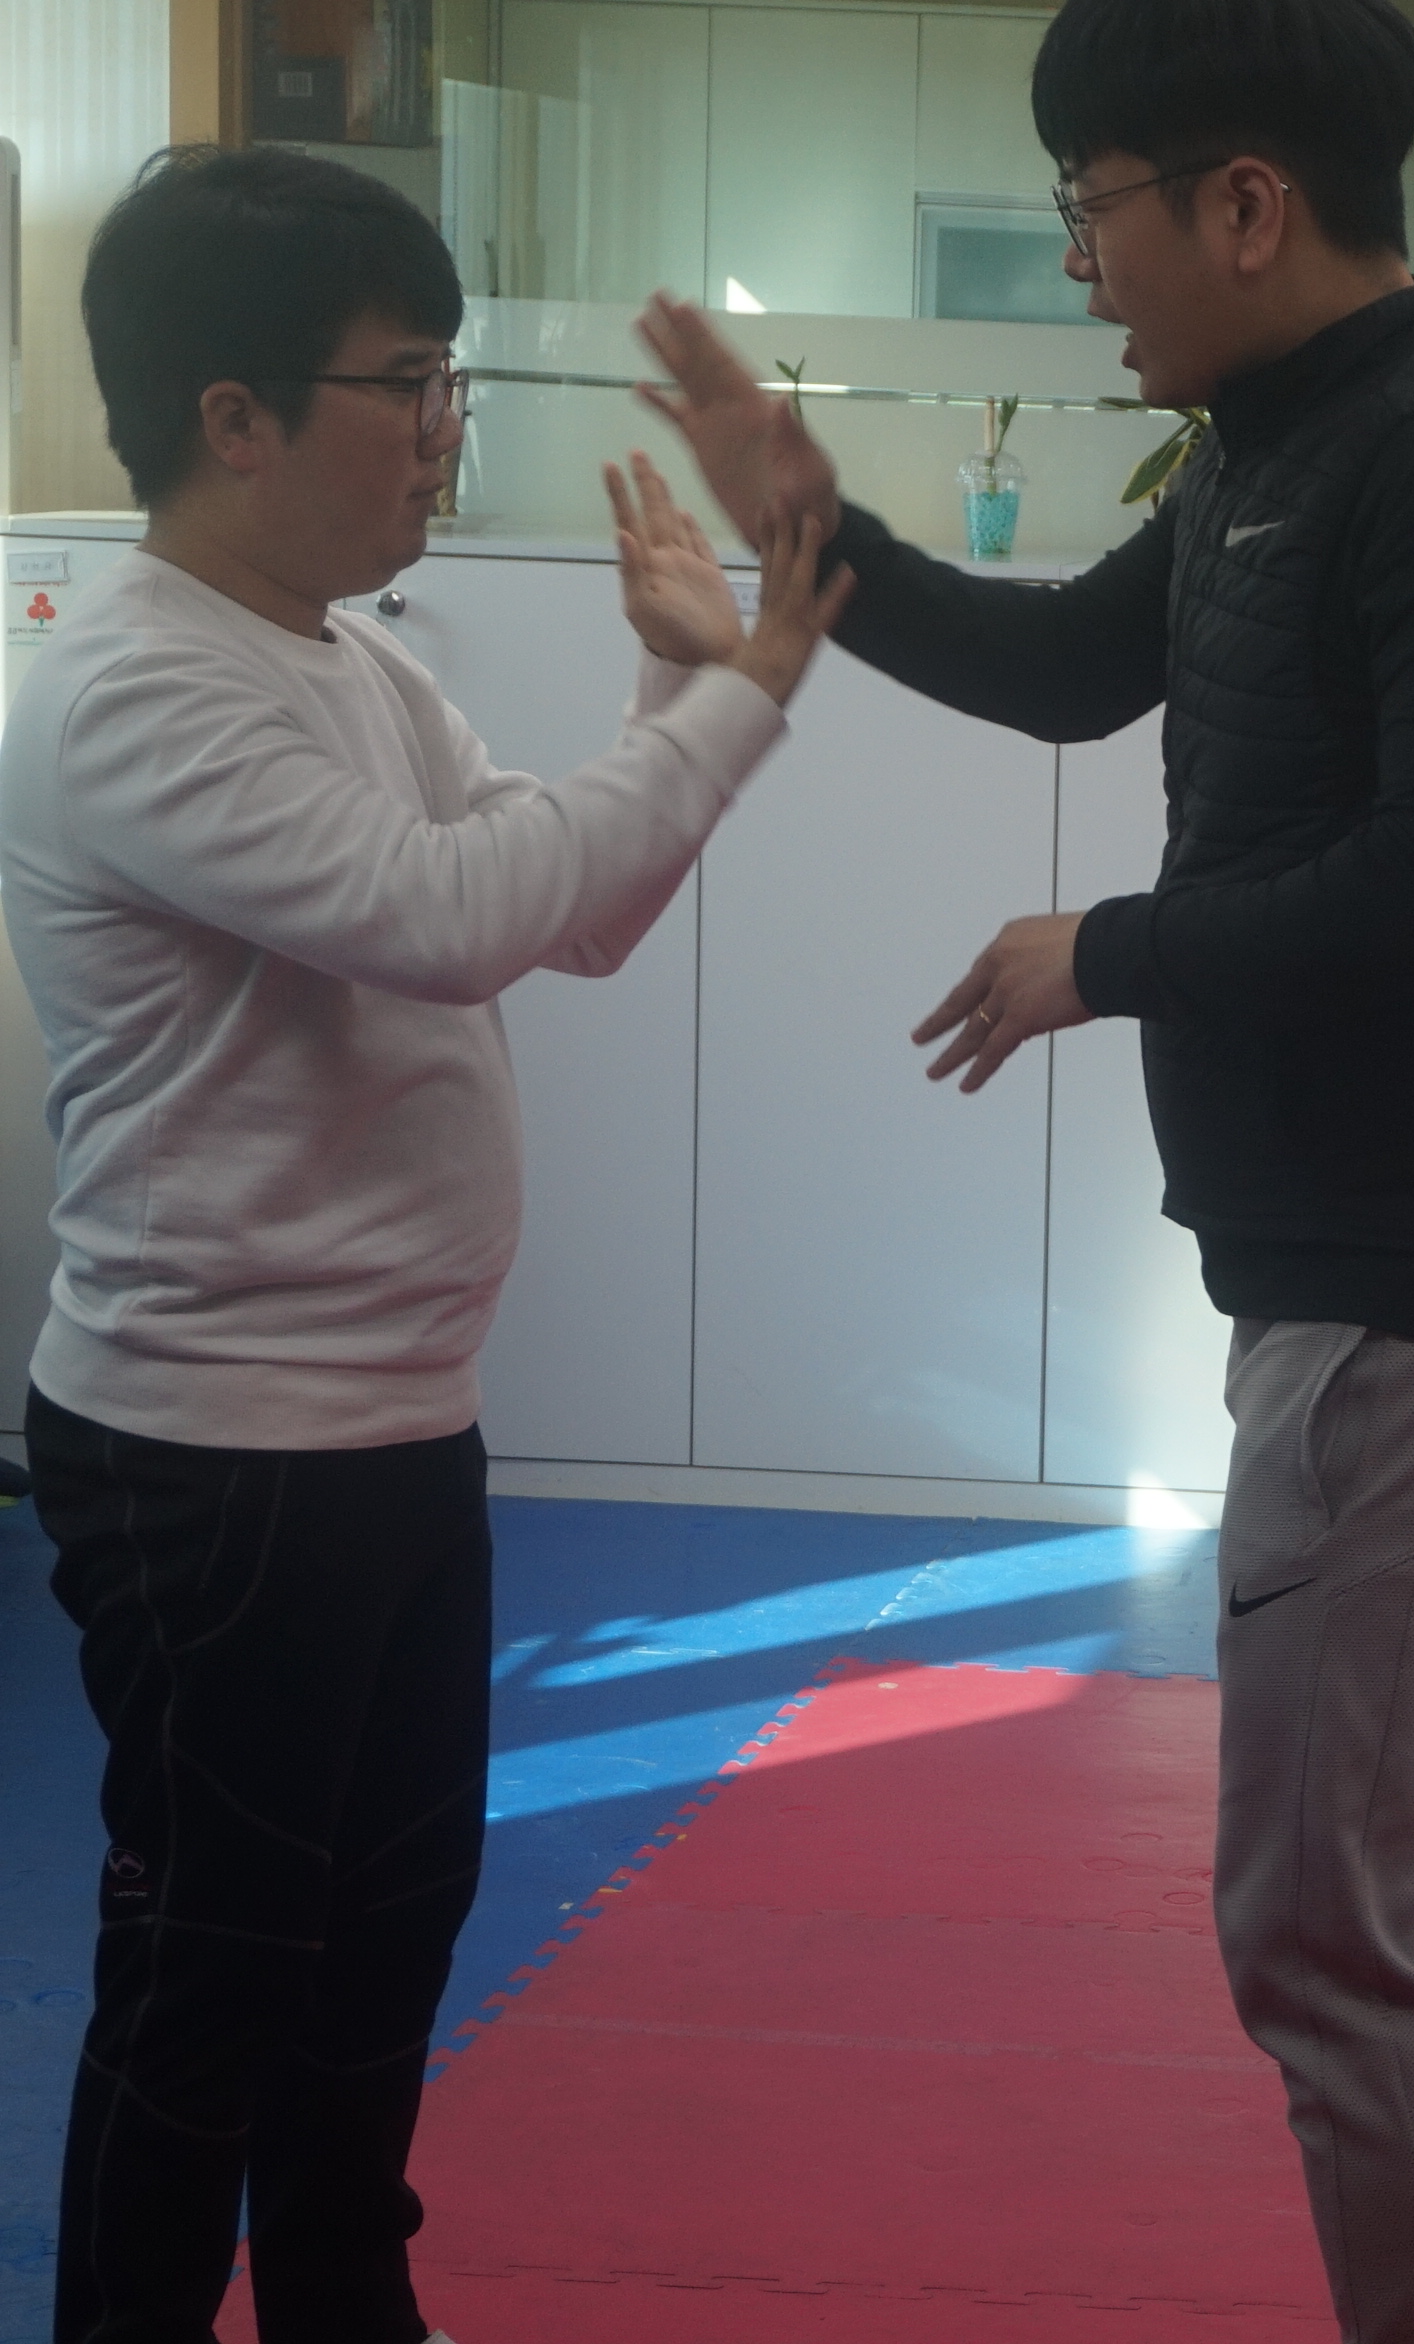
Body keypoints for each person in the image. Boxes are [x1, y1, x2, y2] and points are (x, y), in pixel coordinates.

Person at [629, 0, 1414, 2344]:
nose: (1079, 261)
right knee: (1383, 1897)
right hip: (1359, 1288)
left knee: (1331, 1927)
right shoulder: (1278, 441)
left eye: (1090, 202)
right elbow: (1076, 665)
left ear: (1243, 202)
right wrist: (811, 531)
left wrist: (1103, 950)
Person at [10, 145, 838, 2344]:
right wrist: (751, 680)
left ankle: (346, 2312)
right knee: (211, 1969)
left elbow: (568, 910)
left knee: (384, 1941)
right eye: (408, 383)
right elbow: (449, 914)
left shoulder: (350, 667)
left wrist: (674, 693)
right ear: (235, 416)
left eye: (449, 378)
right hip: (214, 1453)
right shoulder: (132, 689)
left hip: (390, 1422)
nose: (444, 428)